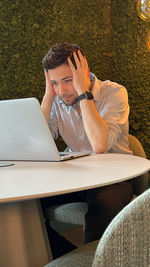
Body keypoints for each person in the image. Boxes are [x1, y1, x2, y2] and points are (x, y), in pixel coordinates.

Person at [40, 42, 133, 258]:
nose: (62, 91)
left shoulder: (114, 93)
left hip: (114, 177)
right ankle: (71, 259)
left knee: (104, 205)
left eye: (67, 80)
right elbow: (39, 140)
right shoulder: (57, 98)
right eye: (54, 82)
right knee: (24, 203)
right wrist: (48, 95)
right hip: (76, 177)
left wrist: (83, 93)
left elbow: (99, 145)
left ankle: (97, 262)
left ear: (84, 71)